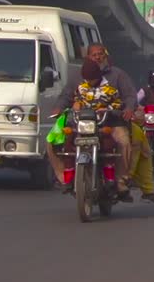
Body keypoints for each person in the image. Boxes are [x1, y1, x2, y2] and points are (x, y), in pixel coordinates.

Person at [58, 43, 136, 200]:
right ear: (88, 57)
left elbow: (130, 96)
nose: (98, 57)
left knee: (124, 142)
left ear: (105, 56)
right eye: (94, 55)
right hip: (83, 123)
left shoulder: (117, 75)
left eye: (101, 54)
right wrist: (58, 108)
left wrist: (128, 109)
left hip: (111, 122)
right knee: (56, 143)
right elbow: (66, 96)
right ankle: (64, 178)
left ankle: (120, 182)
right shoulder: (79, 77)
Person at [129, 110, 154, 204]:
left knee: (143, 148)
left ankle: (147, 191)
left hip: (117, 121)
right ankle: (126, 178)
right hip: (89, 123)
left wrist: (130, 110)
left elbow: (131, 100)